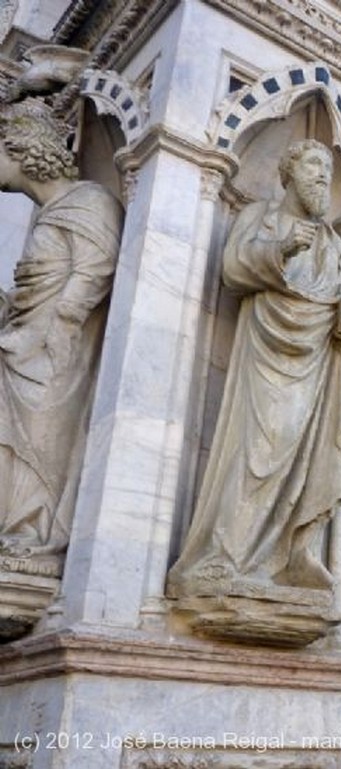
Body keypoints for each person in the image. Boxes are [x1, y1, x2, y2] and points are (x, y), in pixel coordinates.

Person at [168, 139, 341, 594]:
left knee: (308, 457)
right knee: (253, 450)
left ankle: (294, 554)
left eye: (327, 168)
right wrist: (278, 248)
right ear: (289, 172)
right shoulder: (260, 217)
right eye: (314, 164)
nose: (322, 175)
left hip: (319, 365)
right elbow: (234, 268)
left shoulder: (334, 244)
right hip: (266, 358)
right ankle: (225, 556)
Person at [0, 97, 123, 557]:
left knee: (42, 434)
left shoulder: (89, 201)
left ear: (23, 151)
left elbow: (96, 266)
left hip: (56, 349)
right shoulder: (48, 215)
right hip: (22, 346)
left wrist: (63, 322)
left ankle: (34, 530)